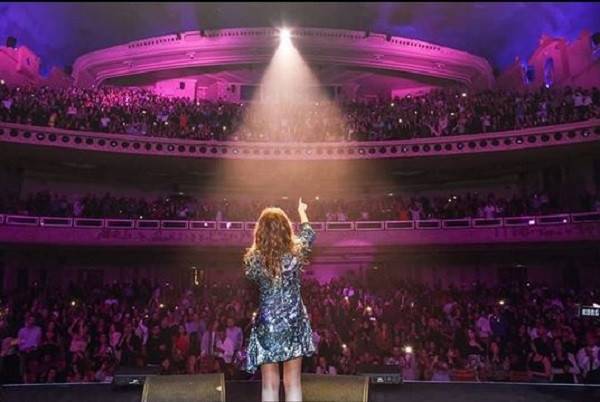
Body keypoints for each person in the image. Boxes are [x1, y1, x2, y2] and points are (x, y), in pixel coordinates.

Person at [244, 198, 316, 402]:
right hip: (293, 322)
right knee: (293, 382)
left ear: (261, 232)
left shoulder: (254, 259)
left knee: (269, 384)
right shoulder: (295, 253)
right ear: (286, 228)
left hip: (267, 325)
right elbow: (309, 234)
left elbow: (252, 275)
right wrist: (302, 211)